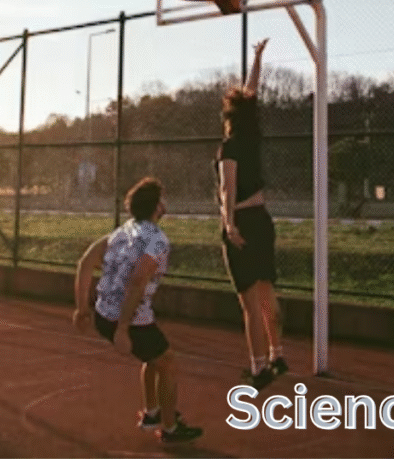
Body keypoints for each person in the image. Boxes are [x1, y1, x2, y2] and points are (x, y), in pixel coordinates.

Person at [72, 177, 203, 445]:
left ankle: (153, 414)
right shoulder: (157, 240)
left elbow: (85, 262)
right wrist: (122, 328)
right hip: (130, 320)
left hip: (102, 314)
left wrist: (82, 308)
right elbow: (138, 280)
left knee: (154, 358)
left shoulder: (122, 232)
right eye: (162, 201)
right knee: (167, 362)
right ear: (157, 207)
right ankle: (169, 429)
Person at [215, 38, 288, 390]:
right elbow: (251, 91)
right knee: (266, 292)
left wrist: (229, 224)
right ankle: (277, 353)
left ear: (227, 117)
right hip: (262, 220)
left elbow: (228, 187)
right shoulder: (254, 133)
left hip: (242, 221)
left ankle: (259, 369)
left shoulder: (229, 146)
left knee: (249, 304)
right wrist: (257, 58)